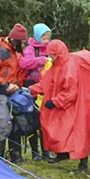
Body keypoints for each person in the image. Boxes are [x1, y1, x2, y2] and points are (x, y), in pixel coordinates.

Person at [28, 40, 90, 172]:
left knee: (78, 133)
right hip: (66, 105)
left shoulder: (68, 67)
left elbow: (70, 91)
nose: (49, 58)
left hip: (76, 106)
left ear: (58, 54)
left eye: (52, 55)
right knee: (58, 128)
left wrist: (55, 101)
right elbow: (47, 83)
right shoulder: (56, 65)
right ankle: (62, 153)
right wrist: (30, 89)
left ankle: (82, 163)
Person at [0, 24, 28, 159]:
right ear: (16, 41)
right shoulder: (3, 52)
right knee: (5, 126)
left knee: (15, 124)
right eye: (23, 42)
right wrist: (6, 85)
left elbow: (13, 73)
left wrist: (17, 86)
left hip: (9, 93)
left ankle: (15, 157)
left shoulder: (13, 52)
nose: (24, 45)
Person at [18, 23, 52, 161]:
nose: (46, 40)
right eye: (44, 37)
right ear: (38, 36)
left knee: (45, 122)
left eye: (48, 37)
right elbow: (24, 63)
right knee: (33, 121)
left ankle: (46, 151)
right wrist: (42, 60)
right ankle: (35, 152)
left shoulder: (51, 49)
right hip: (32, 88)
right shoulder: (30, 49)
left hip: (47, 89)